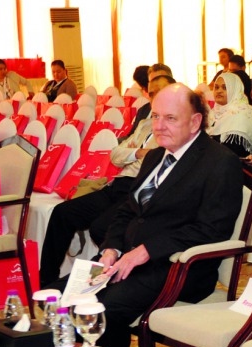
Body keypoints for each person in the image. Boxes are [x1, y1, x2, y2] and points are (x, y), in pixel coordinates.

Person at [67, 83, 243, 347]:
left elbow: (213, 229)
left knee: (103, 306)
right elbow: (126, 212)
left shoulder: (220, 163)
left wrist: (145, 251)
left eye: (169, 118)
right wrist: (111, 249)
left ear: (195, 122)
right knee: (67, 294)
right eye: (156, 117)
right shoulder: (154, 157)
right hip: (131, 259)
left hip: (182, 269)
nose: (158, 126)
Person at [40, 74, 174, 278]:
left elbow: (156, 160)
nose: (155, 97)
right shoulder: (146, 123)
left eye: (161, 92)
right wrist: (137, 153)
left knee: (100, 228)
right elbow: (115, 155)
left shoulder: (174, 129)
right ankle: (46, 281)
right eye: (152, 93)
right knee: (61, 213)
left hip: (138, 191)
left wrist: (133, 153)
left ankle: (113, 279)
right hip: (117, 185)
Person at [208, 72, 252, 156]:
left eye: (224, 87)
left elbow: (234, 149)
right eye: (216, 87)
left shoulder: (243, 113)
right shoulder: (212, 113)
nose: (219, 91)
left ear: (235, 90)